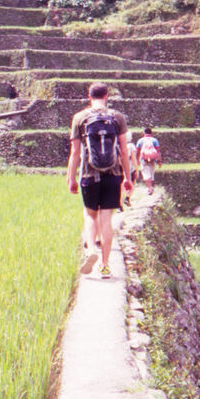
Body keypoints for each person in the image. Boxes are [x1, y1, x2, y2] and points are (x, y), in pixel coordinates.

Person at [67, 82, 131, 279]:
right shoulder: (117, 117)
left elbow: (75, 153)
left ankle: (91, 250)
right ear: (107, 96)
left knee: (90, 215)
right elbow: (124, 151)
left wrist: (71, 178)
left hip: (88, 174)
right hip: (113, 175)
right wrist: (128, 178)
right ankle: (105, 265)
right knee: (106, 220)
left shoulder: (80, 118)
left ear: (89, 96)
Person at [135, 126, 163, 195]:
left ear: (144, 133)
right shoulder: (154, 140)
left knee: (146, 175)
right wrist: (160, 161)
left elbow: (137, 151)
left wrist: (137, 160)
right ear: (151, 133)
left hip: (143, 159)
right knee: (151, 174)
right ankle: (150, 188)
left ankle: (150, 188)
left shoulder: (140, 140)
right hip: (153, 159)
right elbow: (158, 151)